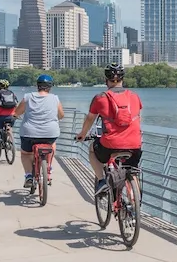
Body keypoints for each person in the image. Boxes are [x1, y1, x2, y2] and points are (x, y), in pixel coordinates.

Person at [75, 63, 142, 195]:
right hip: (135, 144)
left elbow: (90, 118)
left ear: (106, 80)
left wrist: (82, 134)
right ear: (123, 80)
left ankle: (101, 181)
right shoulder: (134, 96)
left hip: (110, 144)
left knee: (92, 150)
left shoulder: (100, 98)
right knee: (132, 170)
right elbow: (138, 118)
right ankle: (135, 201)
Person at [13, 74, 64, 188]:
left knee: (26, 153)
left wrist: (16, 115)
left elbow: (17, 112)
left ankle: (28, 176)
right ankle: (48, 167)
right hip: (50, 133)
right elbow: (61, 115)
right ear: (50, 87)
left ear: (37, 86)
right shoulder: (55, 98)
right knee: (52, 144)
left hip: (29, 133)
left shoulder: (28, 97)